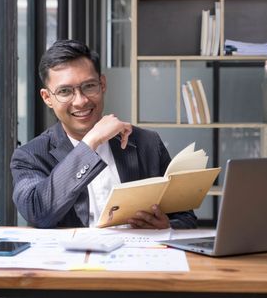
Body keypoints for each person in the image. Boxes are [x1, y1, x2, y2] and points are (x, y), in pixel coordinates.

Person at [11, 39, 197, 229]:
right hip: (71, 259)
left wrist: (166, 226)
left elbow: (186, 218)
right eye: (65, 91)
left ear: (102, 84)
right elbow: (37, 213)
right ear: (47, 98)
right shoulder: (30, 156)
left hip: (138, 256)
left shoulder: (147, 144)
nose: (81, 101)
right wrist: (90, 142)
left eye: (89, 86)